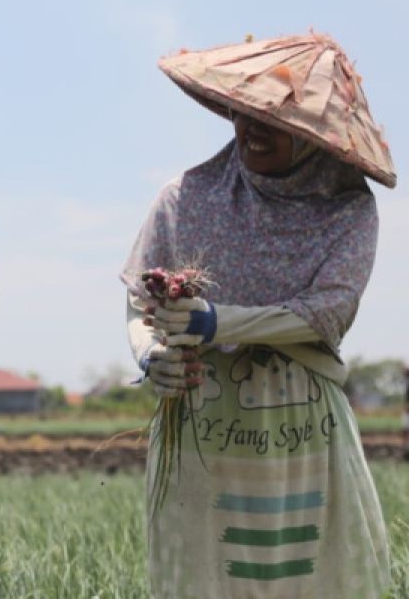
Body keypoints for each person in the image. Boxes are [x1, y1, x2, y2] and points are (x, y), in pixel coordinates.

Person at [121, 33, 393, 597]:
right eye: (246, 113)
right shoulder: (186, 197)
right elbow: (140, 302)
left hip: (300, 425)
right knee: (204, 575)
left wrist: (218, 322)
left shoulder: (346, 208)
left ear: (319, 139)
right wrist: (151, 356)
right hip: (199, 420)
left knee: (302, 572)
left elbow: (327, 311)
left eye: (279, 121)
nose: (253, 129)